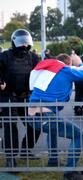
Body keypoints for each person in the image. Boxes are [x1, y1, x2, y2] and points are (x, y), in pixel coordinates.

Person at [27, 53, 83, 179]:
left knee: (53, 130)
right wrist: (79, 63)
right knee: (77, 134)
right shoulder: (65, 70)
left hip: (32, 116)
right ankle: (70, 172)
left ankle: (53, 160)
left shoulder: (48, 70)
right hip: (45, 116)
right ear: (68, 64)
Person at [0, 29, 41, 167]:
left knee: (36, 125)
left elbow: (41, 74)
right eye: (21, 43)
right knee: (10, 127)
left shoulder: (34, 57)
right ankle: (10, 159)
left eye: (26, 43)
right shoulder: (4, 56)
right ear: (14, 42)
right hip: (8, 97)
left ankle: (25, 149)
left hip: (26, 97)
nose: (24, 46)